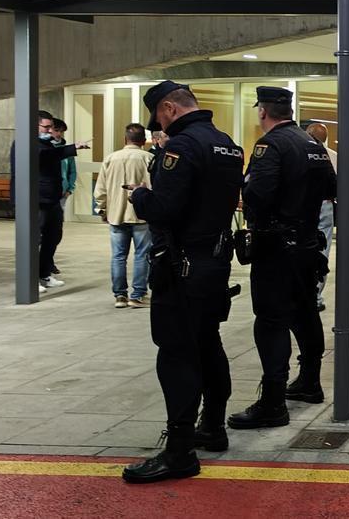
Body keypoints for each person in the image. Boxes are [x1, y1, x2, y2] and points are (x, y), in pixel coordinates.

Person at [122, 81, 243, 483]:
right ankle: (213, 426)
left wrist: (140, 196)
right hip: (214, 262)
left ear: (170, 109)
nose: (159, 124)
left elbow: (166, 208)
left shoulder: (182, 147)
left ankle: (179, 452)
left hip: (182, 267)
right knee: (208, 343)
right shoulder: (227, 143)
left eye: (159, 116)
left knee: (176, 353)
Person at [228, 87, 336, 432]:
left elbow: (257, 194)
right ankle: (309, 380)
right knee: (305, 313)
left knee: (271, 320)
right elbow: (331, 188)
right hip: (307, 244)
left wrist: (247, 198)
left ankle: (273, 401)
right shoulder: (312, 144)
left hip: (276, 247)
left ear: (263, 111)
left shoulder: (270, 145)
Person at [8, 110, 88, 294]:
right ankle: (29, 278)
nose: (50, 130)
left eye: (51, 127)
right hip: (33, 200)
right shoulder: (25, 143)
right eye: (47, 126)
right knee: (33, 240)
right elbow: (43, 156)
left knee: (53, 236)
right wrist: (72, 148)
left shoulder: (47, 143)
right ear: (34, 125)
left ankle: (44, 273)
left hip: (51, 199)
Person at [94, 123, 154, 309]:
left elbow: (101, 189)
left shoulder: (111, 158)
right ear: (143, 141)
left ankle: (120, 295)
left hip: (116, 214)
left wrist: (102, 209)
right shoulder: (149, 158)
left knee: (118, 256)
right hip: (141, 215)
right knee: (142, 255)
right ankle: (137, 295)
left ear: (125, 139)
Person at [305, 121, 338, 311]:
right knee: (322, 250)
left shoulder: (300, 151)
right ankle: (315, 296)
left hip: (304, 205)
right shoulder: (333, 156)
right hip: (326, 205)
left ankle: (302, 294)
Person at [49, 119, 77, 276]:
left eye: (61, 131)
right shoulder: (46, 148)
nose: (58, 134)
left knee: (56, 229)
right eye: (56, 130)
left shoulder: (66, 150)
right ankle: (45, 262)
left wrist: (70, 189)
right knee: (45, 230)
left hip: (62, 193)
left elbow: (72, 171)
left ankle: (49, 259)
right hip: (48, 193)